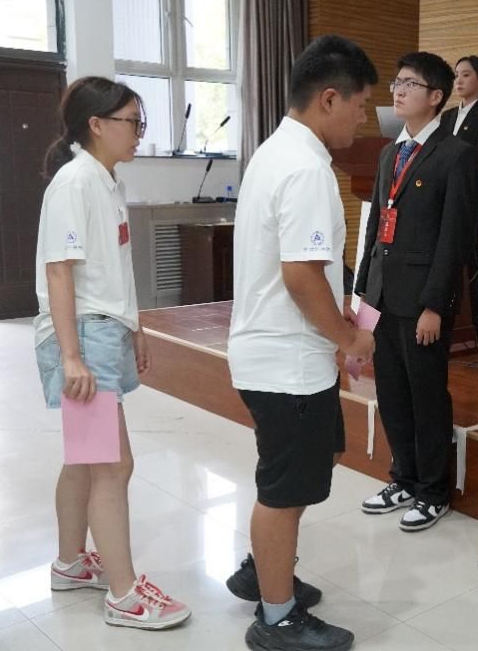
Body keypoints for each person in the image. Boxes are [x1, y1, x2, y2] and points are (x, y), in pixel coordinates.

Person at [227, 35, 377, 651]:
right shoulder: (308, 168)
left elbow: (297, 266)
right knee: (285, 490)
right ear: (329, 98)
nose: (364, 119)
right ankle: (277, 617)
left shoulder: (275, 152)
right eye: (361, 105)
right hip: (286, 361)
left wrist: (333, 316)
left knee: (314, 460)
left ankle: (261, 571)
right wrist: (350, 339)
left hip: (278, 353)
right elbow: (300, 276)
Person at [35, 76, 190, 630]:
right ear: (96, 125)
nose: (139, 133)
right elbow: (59, 272)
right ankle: (125, 596)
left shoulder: (105, 181)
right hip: (83, 335)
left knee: (86, 459)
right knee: (112, 464)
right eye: (132, 122)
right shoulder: (75, 182)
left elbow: (113, 269)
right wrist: (72, 356)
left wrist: (135, 326)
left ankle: (71, 564)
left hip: (103, 329)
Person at [355, 52, 478, 532]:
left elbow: (454, 237)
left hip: (423, 300)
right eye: (397, 82)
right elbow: (375, 228)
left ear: (436, 96)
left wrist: (435, 305)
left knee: (426, 396)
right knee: (391, 393)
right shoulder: (391, 153)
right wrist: (363, 294)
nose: (399, 91)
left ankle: (433, 490)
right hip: (384, 297)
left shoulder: (455, 155)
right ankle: (403, 478)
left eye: (411, 83)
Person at [440, 55, 478, 339]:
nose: (459, 81)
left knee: (470, 256)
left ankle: (474, 323)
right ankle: (447, 318)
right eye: (457, 75)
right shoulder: (448, 116)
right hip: (445, 194)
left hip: (473, 196)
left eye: (466, 75)